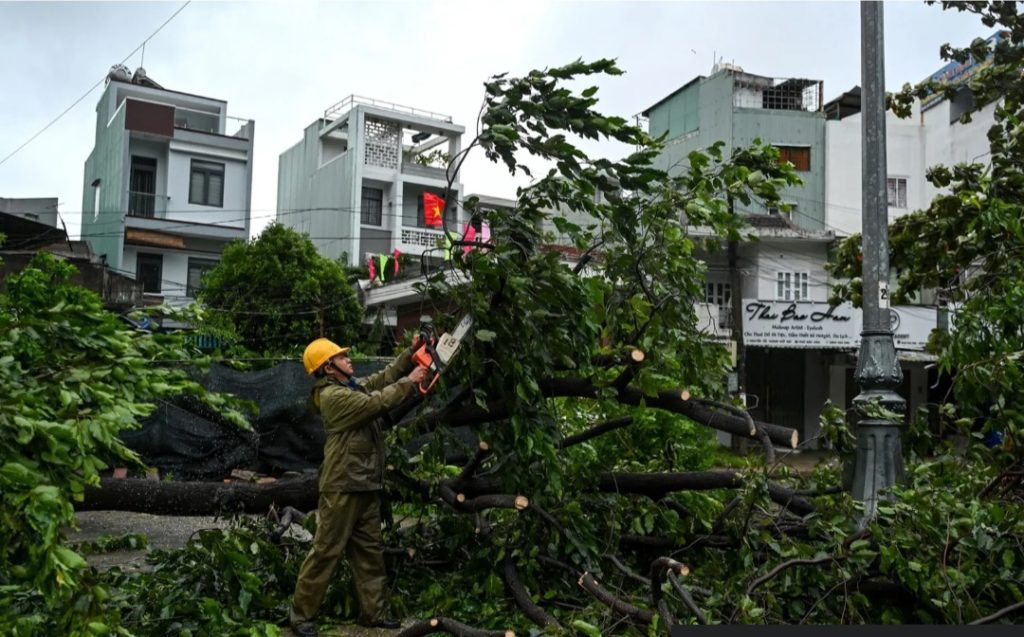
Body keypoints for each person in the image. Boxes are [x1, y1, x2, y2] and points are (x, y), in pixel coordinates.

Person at [289, 337, 428, 637]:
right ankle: (301, 617)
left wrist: (410, 353)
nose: (348, 359)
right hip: (342, 485)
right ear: (328, 368)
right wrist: (411, 381)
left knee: (369, 553)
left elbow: (383, 377)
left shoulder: (350, 386)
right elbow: (376, 403)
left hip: (364, 482)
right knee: (326, 551)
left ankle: (373, 614)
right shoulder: (332, 398)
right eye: (341, 357)